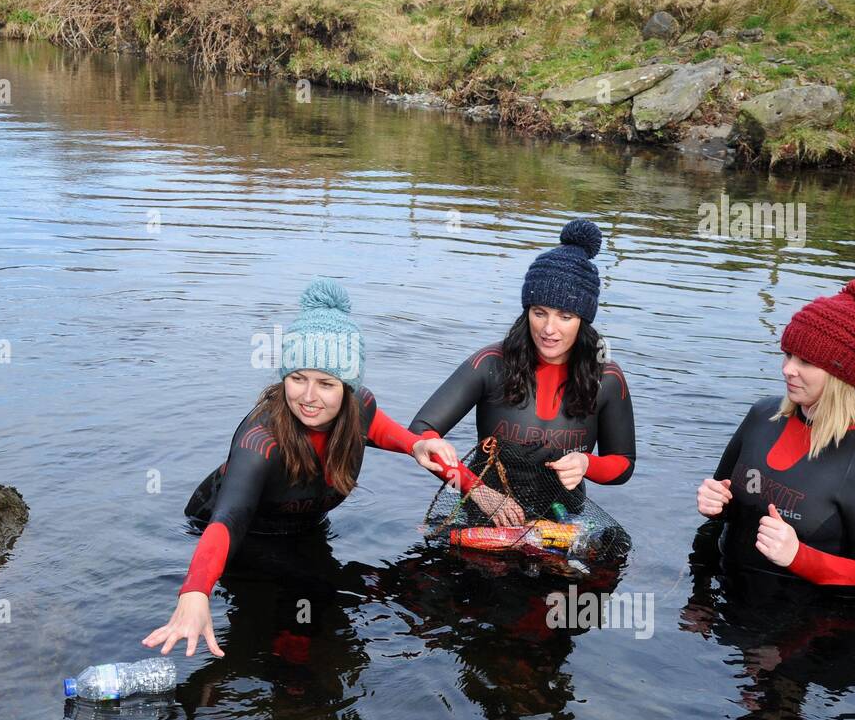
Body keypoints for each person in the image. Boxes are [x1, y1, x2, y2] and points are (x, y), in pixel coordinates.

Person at [143, 277, 457, 658]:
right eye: (297, 378)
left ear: (348, 389)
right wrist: (194, 592)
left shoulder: (360, 410)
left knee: (336, 599)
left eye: (326, 383)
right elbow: (228, 519)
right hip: (240, 534)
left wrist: (438, 458)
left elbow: (403, 439)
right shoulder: (261, 439)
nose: (308, 397)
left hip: (303, 528)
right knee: (313, 597)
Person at [408, 219, 636, 525]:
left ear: (583, 319)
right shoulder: (491, 363)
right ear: (526, 310)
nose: (549, 329)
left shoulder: (606, 378)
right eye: (539, 313)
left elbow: (624, 464)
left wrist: (587, 463)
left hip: (563, 519)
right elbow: (421, 431)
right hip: (484, 514)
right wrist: (476, 490)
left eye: (565, 316)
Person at [695, 278, 855, 594]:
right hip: (725, 600)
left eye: (805, 361)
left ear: (840, 374)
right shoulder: (761, 416)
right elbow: (726, 503)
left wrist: (799, 557)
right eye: (788, 354)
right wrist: (715, 502)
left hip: (806, 624)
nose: (787, 369)